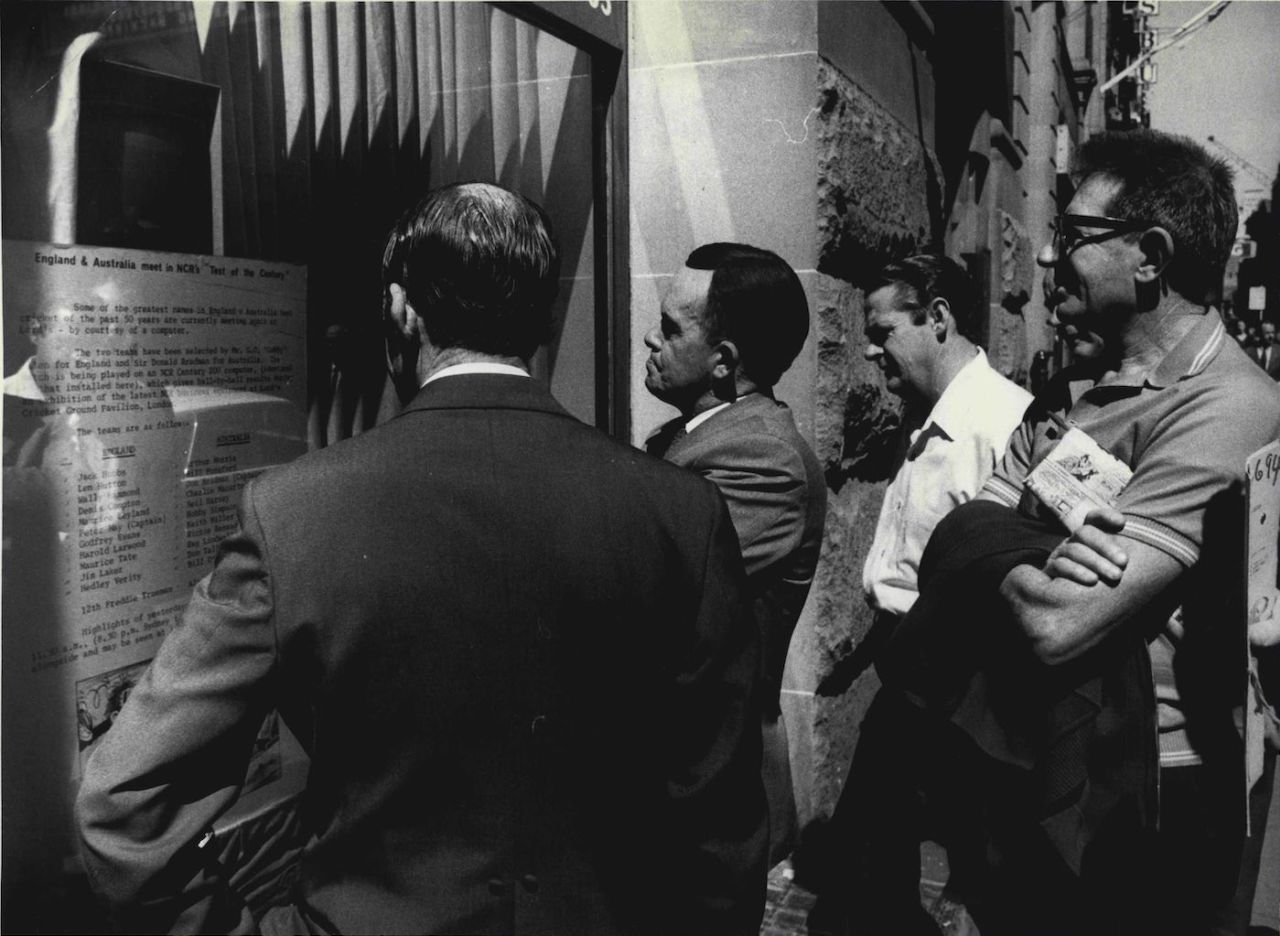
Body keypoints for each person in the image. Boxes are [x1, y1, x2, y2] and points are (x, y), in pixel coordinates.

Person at [76, 183, 769, 936]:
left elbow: (122, 806)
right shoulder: (683, 515)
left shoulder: (293, 512)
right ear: (540, 320)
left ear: (403, 310)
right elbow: (721, 833)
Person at [880, 129, 1280, 935]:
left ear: (1151, 257)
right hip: (1034, 763)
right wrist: (1023, 547)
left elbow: (1055, 624)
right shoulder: (1074, 388)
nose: (1049, 258)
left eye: (1074, 235)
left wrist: (995, 542)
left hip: (1150, 798)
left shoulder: (1230, 406)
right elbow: (953, 535)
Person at [807, 254, 1031, 934]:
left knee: (975, 878)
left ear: (938, 318)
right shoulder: (931, 412)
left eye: (883, 331)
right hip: (915, 678)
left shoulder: (1003, 426)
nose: (872, 352)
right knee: (873, 868)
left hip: (967, 691)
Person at [642, 242, 826, 864]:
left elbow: (651, 594)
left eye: (670, 328)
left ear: (723, 362)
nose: (648, 339)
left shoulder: (763, 459)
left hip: (709, 792)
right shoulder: (695, 435)